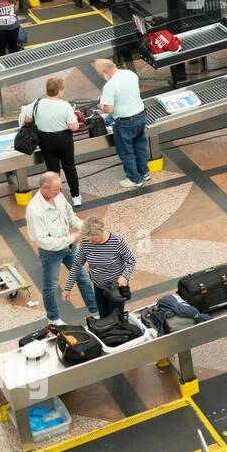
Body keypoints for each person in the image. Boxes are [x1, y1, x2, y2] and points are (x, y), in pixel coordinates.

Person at [26, 171, 98, 325]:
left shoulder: (57, 197)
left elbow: (71, 216)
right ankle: (53, 318)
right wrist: (72, 238)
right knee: (50, 286)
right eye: (55, 189)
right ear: (43, 188)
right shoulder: (34, 210)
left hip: (70, 248)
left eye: (60, 188)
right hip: (51, 253)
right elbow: (44, 241)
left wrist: (84, 227)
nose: (59, 192)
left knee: (83, 278)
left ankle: (95, 310)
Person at [20, 77, 85, 205]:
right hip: (64, 140)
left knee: (53, 170)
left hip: (45, 140)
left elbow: (27, 120)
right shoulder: (65, 105)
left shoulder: (37, 104)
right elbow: (74, 127)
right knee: (69, 168)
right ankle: (76, 196)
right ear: (60, 91)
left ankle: (56, 197)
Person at [62, 217, 135, 324]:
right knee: (103, 319)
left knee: (116, 320)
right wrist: (67, 288)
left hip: (116, 288)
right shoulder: (86, 243)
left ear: (100, 232)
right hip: (99, 287)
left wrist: (124, 276)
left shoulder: (117, 242)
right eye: (88, 238)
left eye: (93, 238)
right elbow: (77, 265)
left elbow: (131, 261)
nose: (90, 241)